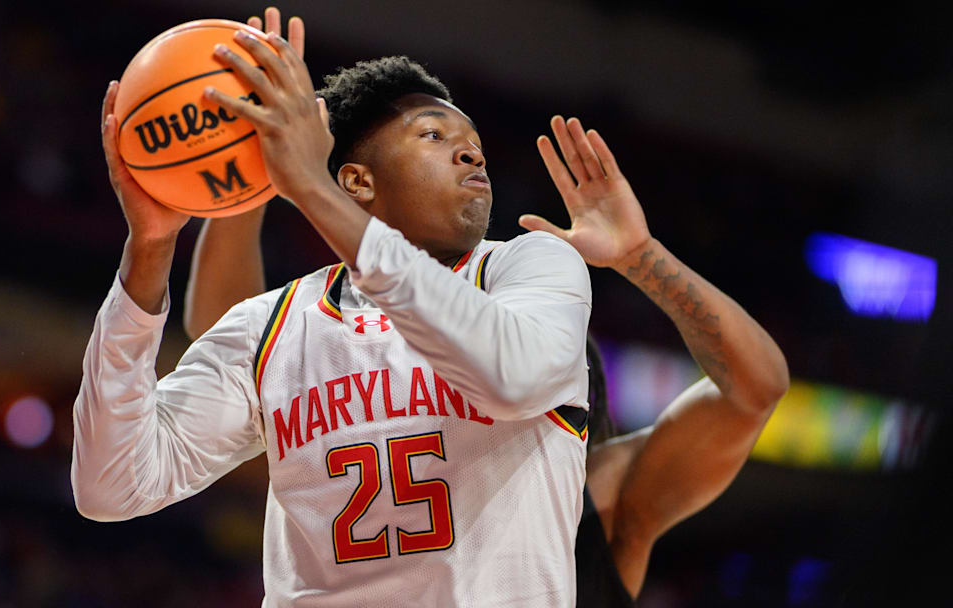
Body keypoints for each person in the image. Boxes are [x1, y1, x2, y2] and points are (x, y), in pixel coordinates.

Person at [176, 9, 791, 607]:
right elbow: (229, 346)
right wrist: (252, 179)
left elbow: (754, 389)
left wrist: (640, 256)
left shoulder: (602, 494)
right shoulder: (362, 380)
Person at [74, 11, 598, 608]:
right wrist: (149, 248)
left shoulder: (529, 267)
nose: (471, 157)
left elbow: (513, 377)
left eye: (474, 148)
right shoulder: (269, 324)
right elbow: (111, 487)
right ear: (357, 181)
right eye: (435, 136)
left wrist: (308, 187)